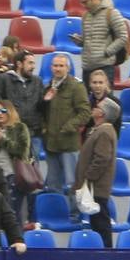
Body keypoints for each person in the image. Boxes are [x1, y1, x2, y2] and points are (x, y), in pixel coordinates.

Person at [41, 54, 90, 212]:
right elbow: (43, 112)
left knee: (72, 183)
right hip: (51, 143)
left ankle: (75, 214)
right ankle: (57, 214)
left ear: (68, 68)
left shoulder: (77, 87)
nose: (58, 68)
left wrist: (69, 127)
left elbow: (85, 113)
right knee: (54, 184)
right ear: (51, 67)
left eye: (61, 66)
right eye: (55, 65)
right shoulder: (48, 87)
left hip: (69, 143)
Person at [75, 96, 119, 246]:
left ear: (103, 113)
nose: (94, 109)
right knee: (98, 221)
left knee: (101, 223)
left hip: (97, 187)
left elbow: (102, 158)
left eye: (97, 107)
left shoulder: (104, 132)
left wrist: (88, 177)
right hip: (96, 186)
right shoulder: (100, 130)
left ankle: (106, 252)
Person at [77, 0, 130, 90]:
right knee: (87, 103)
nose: (83, 6)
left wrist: (107, 52)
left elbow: (123, 37)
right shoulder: (85, 16)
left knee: (105, 103)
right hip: (87, 66)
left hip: (105, 66)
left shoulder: (112, 13)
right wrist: (80, 41)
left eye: (85, 2)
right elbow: (86, 39)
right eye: (81, 3)